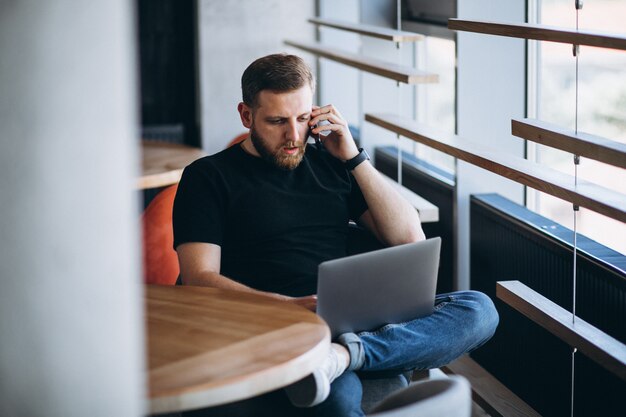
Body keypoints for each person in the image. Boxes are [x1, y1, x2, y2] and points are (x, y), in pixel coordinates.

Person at [173, 53, 499, 417]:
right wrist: (289, 306)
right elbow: (197, 278)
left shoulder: (331, 165)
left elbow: (410, 237)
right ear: (247, 115)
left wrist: (354, 158)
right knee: (339, 404)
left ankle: (346, 355)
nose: (293, 136)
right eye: (277, 121)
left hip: (342, 325)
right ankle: (348, 356)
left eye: (301, 118)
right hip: (274, 323)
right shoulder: (208, 177)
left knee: (478, 309)